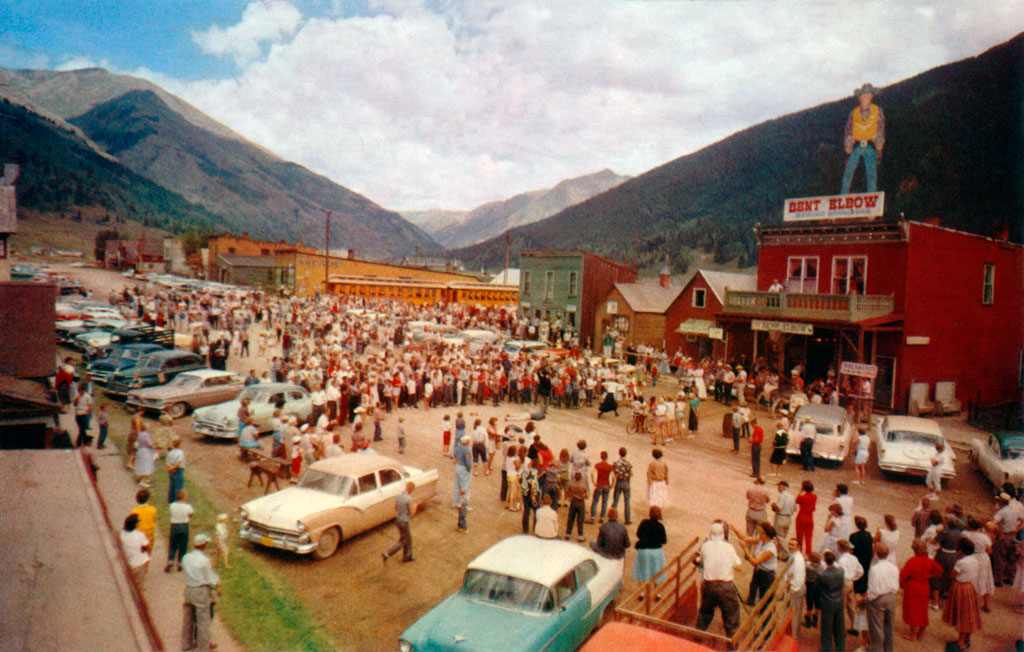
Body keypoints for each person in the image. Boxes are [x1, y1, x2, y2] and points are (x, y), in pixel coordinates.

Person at [696, 522, 743, 636]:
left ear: (710, 534)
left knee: (705, 613)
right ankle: (732, 646)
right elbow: (739, 566)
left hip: (709, 585)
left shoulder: (705, 546)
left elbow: (699, 559)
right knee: (731, 616)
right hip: (725, 586)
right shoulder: (729, 547)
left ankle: (698, 636)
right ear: (724, 534)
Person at [840, 83, 885, 195]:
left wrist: (879, 147)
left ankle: (871, 197)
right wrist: (848, 141)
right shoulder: (854, 113)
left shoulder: (877, 111)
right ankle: (843, 195)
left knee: (871, 173)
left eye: (868, 95)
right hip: (857, 145)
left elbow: (880, 128)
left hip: (870, 145)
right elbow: (848, 130)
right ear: (859, 97)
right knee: (849, 171)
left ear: (872, 96)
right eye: (863, 95)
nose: (865, 98)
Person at [181, 533, 220, 652]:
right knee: (203, 621)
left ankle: (186, 645)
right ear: (203, 545)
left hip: (188, 589)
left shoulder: (186, 557)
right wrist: (216, 583)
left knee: (188, 618)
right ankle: (203, 648)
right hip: (200, 590)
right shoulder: (204, 560)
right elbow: (209, 579)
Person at [942, 538, 982, 652]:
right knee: (969, 613)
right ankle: (967, 639)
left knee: (962, 614)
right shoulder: (975, 559)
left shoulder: (961, 562)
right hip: (970, 587)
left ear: (961, 550)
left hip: (961, 588)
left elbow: (952, 575)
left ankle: (960, 642)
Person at [900, 538, 943, 642]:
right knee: (922, 610)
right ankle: (921, 633)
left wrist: (902, 585)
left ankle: (913, 635)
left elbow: (903, 575)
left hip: (913, 587)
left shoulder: (911, 561)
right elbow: (940, 570)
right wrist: (930, 575)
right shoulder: (929, 561)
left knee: (913, 611)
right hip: (924, 586)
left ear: (914, 550)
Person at [732, 522, 778, 605]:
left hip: (767, 573)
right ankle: (751, 602)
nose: (759, 534)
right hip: (759, 569)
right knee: (753, 586)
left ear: (768, 535)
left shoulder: (770, 549)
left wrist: (745, 549)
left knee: (764, 594)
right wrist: (734, 529)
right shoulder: (761, 540)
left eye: (762, 533)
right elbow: (745, 538)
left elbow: (755, 562)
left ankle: (763, 612)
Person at [866, 542, 899, 652]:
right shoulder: (894, 567)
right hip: (890, 597)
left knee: (877, 627)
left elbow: (873, 588)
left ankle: (877, 649)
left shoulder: (875, 569)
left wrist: (869, 598)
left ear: (876, 553)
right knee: (889, 626)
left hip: (878, 598)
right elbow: (896, 584)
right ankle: (889, 649)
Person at [817, 550, 846, 652]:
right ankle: (840, 647)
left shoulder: (822, 575)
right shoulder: (841, 571)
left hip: (827, 602)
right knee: (839, 626)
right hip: (839, 601)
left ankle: (826, 648)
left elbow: (819, 588)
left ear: (825, 561)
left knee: (826, 628)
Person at [382, 482, 417, 563]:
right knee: (404, 540)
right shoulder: (409, 499)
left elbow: (395, 508)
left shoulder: (398, 497)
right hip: (404, 521)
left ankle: (407, 556)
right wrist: (415, 507)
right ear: (411, 489)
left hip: (398, 520)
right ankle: (387, 553)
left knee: (408, 538)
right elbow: (412, 513)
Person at [633, 506, 667, 584]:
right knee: (656, 571)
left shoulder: (644, 523)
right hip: (656, 550)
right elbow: (664, 541)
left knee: (642, 571)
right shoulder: (660, 526)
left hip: (644, 549)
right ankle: (657, 593)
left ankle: (641, 592)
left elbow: (638, 534)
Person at [166, 489, 194, 572]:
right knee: (183, 545)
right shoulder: (188, 507)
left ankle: (170, 560)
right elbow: (190, 514)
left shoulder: (172, 505)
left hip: (174, 525)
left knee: (173, 544)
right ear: (184, 497)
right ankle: (180, 563)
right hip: (184, 526)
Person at [120, 513, 151, 584]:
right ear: (135, 525)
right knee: (139, 583)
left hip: (129, 562)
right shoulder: (140, 535)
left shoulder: (123, 535)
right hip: (139, 562)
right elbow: (147, 545)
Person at [787, 538, 807, 640]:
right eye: (789, 544)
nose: (790, 546)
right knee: (796, 614)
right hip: (796, 587)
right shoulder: (794, 556)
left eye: (793, 545)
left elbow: (798, 578)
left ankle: (794, 638)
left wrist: (792, 590)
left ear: (798, 547)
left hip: (796, 589)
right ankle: (794, 635)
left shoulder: (797, 559)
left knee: (795, 614)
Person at [772, 481, 796, 561]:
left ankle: (788, 553)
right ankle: (780, 554)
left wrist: (774, 505)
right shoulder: (792, 497)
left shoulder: (782, 496)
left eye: (779, 486)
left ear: (783, 487)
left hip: (781, 517)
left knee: (779, 537)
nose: (778, 488)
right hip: (788, 518)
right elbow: (795, 509)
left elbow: (779, 508)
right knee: (783, 537)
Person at [589, 450, 613, 523]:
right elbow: (613, 476)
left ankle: (593, 517)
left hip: (599, 484)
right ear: (607, 457)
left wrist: (593, 482)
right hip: (606, 485)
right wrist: (612, 484)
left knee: (595, 501)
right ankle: (602, 517)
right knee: (604, 502)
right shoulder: (610, 466)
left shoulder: (597, 465)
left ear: (601, 457)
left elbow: (592, 473)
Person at [564, 471, 589, 542]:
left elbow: (566, 491)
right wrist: (583, 496)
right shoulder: (583, 485)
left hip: (573, 501)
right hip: (581, 502)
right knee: (580, 519)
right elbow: (587, 496)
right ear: (581, 478)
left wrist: (569, 497)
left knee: (571, 518)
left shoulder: (571, 484)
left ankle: (568, 534)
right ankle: (580, 536)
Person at [611, 447, 633, 524]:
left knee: (616, 500)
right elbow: (631, 473)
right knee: (627, 501)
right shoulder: (628, 463)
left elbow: (614, 473)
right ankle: (627, 519)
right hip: (626, 482)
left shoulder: (616, 463)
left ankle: (612, 516)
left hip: (619, 482)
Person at [796, 480, 817, 556]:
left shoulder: (802, 497)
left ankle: (799, 552)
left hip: (802, 515)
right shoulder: (814, 496)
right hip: (810, 516)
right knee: (809, 537)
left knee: (799, 536)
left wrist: (800, 492)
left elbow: (796, 500)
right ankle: (808, 553)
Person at [452, 435, 472, 508]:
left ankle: (456, 502)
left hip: (458, 466)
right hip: (464, 468)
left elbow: (453, 456)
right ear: (467, 442)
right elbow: (468, 462)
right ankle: (464, 504)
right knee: (465, 486)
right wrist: (469, 468)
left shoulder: (457, 448)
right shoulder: (467, 450)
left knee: (457, 485)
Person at [73, 381, 93, 447]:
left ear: (83, 390)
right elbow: (74, 404)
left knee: (82, 430)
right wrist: (75, 400)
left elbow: (90, 406)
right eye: (79, 391)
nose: (80, 392)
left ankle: (78, 443)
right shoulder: (78, 396)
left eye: (81, 391)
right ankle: (87, 441)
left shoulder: (87, 396)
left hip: (83, 414)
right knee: (82, 429)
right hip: (78, 414)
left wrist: (86, 412)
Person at [166, 437, 185, 505]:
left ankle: (170, 499)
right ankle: (177, 501)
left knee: (172, 485)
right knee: (178, 486)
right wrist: (174, 468)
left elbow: (167, 461)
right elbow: (179, 463)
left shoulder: (170, 452)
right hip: (178, 470)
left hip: (171, 470)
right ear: (179, 445)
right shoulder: (181, 453)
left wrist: (170, 467)